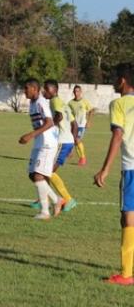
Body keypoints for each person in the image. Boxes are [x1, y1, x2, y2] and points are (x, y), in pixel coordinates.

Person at [93, 63, 134, 285]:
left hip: (132, 167)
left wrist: (105, 169)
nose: (112, 82)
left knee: (129, 217)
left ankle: (126, 275)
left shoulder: (118, 103)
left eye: (114, 78)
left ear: (122, 81)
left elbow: (118, 135)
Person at [29, 80, 78, 212]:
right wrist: (73, 142)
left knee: (47, 171)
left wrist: (49, 128)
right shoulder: (64, 103)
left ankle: (68, 199)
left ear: (54, 90)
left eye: (46, 89)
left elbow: (59, 116)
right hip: (66, 141)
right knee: (44, 172)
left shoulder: (54, 101)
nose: (44, 92)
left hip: (61, 141)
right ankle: (43, 200)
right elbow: (74, 124)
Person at [19, 78, 63, 220]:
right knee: (33, 175)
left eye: (26, 88)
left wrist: (30, 135)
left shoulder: (41, 102)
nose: (24, 91)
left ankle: (49, 208)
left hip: (48, 143)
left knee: (38, 175)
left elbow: (50, 122)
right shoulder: (33, 103)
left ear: (34, 88)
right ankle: (52, 204)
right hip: (39, 142)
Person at [68, 85, 94, 166]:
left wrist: (88, 121)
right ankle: (81, 158)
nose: (76, 93)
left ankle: (83, 158)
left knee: (77, 140)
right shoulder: (70, 103)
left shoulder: (84, 101)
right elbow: (68, 114)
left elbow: (91, 110)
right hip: (74, 125)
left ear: (81, 92)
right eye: (75, 91)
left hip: (82, 125)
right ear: (73, 92)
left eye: (78, 91)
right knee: (75, 141)